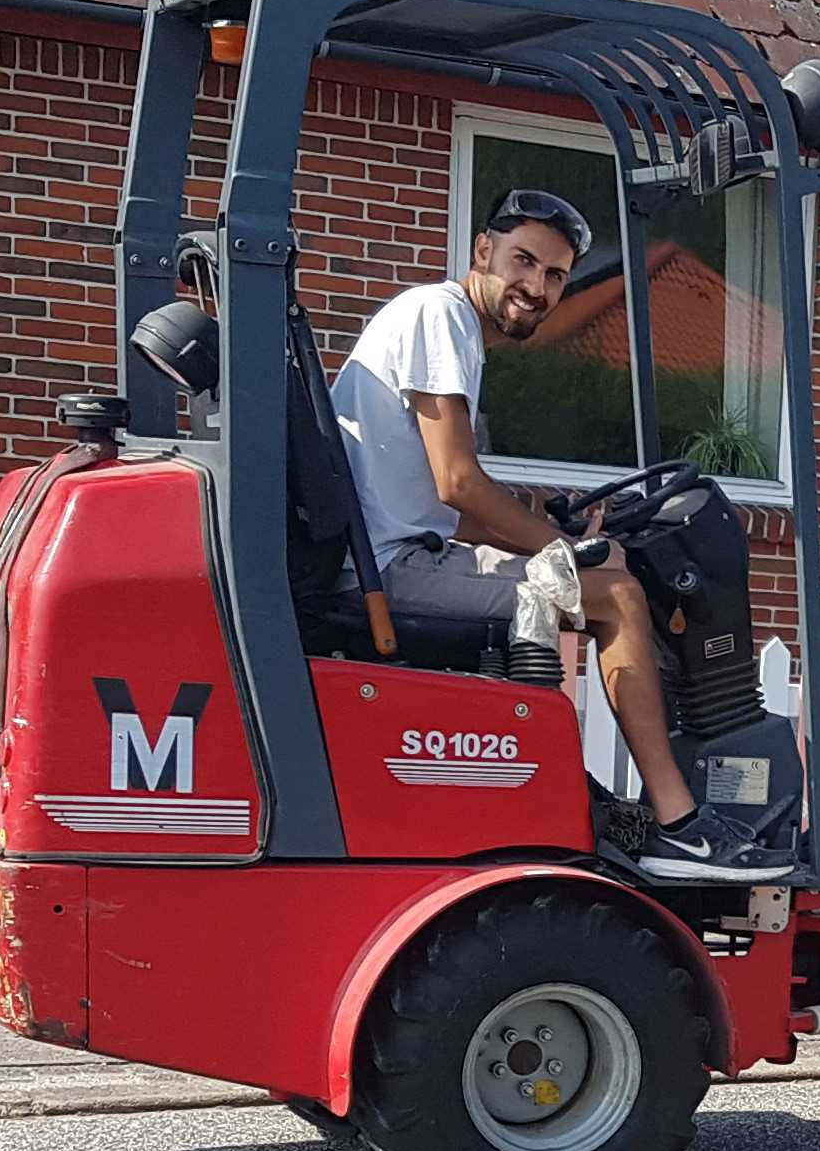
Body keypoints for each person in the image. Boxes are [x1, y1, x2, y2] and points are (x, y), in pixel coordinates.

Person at [328, 187, 789, 883]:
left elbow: (450, 506)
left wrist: (550, 528)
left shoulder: (444, 328)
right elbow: (458, 482)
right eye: (523, 261)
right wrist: (561, 549)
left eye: (554, 275)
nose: (536, 286)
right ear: (482, 250)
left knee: (598, 574)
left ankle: (592, 793)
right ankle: (680, 826)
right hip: (389, 571)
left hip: (398, 554)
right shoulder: (439, 314)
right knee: (618, 596)